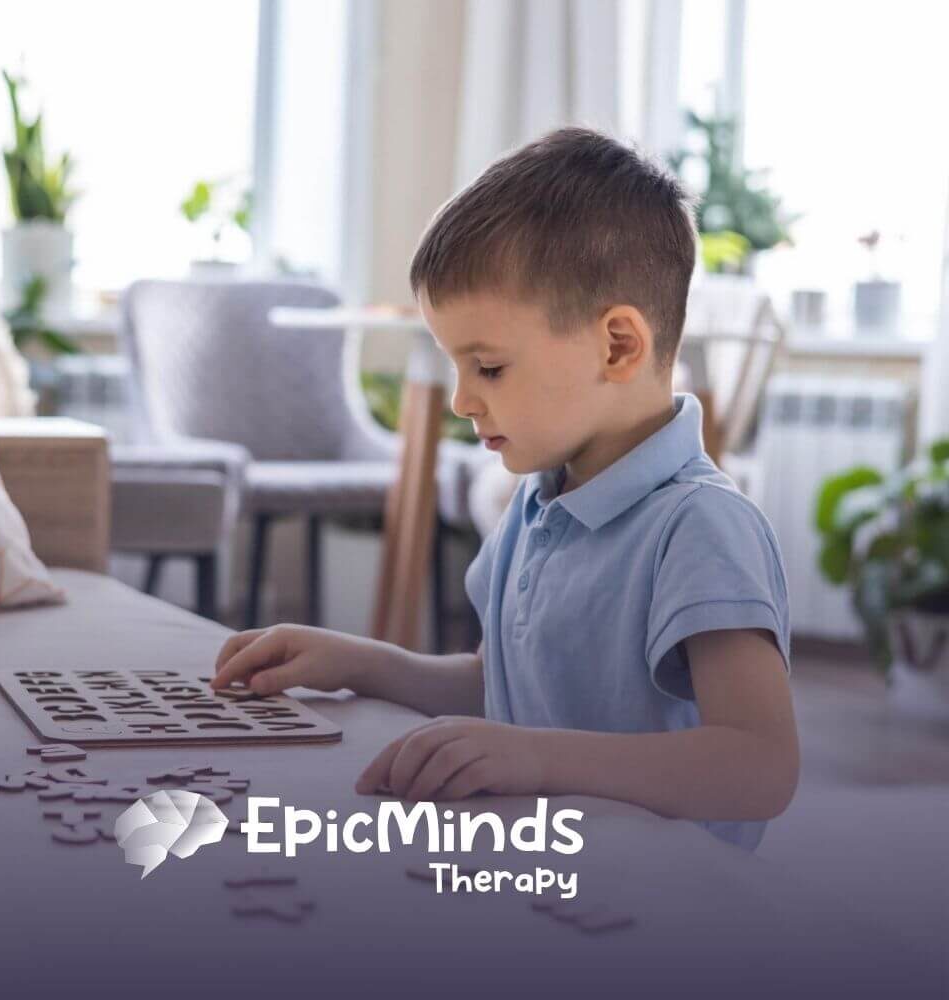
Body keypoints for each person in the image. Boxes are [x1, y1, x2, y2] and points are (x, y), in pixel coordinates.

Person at [212, 127, 797, 850]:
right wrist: (358, 662)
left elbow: (759, 765)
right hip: (549, 867)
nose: (462, 400)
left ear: (617, 346)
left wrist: (539, 759)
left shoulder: (702, 525)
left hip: (665, 892)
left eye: (488, 368)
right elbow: (502, 685)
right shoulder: (539, 501)